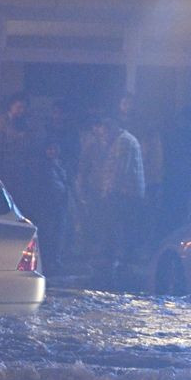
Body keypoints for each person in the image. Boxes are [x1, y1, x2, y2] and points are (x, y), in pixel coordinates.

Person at [80, 114, 144, 286]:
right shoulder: (122, 140)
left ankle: (116, 258)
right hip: (125, 193)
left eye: (103, 132)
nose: (102, 137)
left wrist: (106, 191)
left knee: (117, 225)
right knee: (119, 225)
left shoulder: (122, 142)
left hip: (124, 193)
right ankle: (118, 257)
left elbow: (117, 170)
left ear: (110, 129)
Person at [32, 140, 70, 275]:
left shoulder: (61, 165)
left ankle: (55, 259)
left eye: (54, 149)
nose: (52, 152)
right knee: (48, 233)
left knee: (59, 232)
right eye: (49, 149)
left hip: (60, 203)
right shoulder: (42, 166)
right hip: (48, 204)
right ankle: (48, 261)